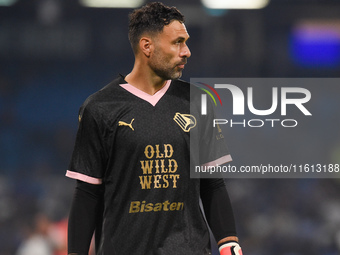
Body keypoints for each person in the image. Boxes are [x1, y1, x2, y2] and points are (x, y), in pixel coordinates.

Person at [66, 2, 242, 255]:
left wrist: (228, 242)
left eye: (186, 42)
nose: (187, 52)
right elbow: (87, 193)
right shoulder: (99, 108)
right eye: (177, 42)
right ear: (147, 46)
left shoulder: (198, 102)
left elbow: (212, 184)